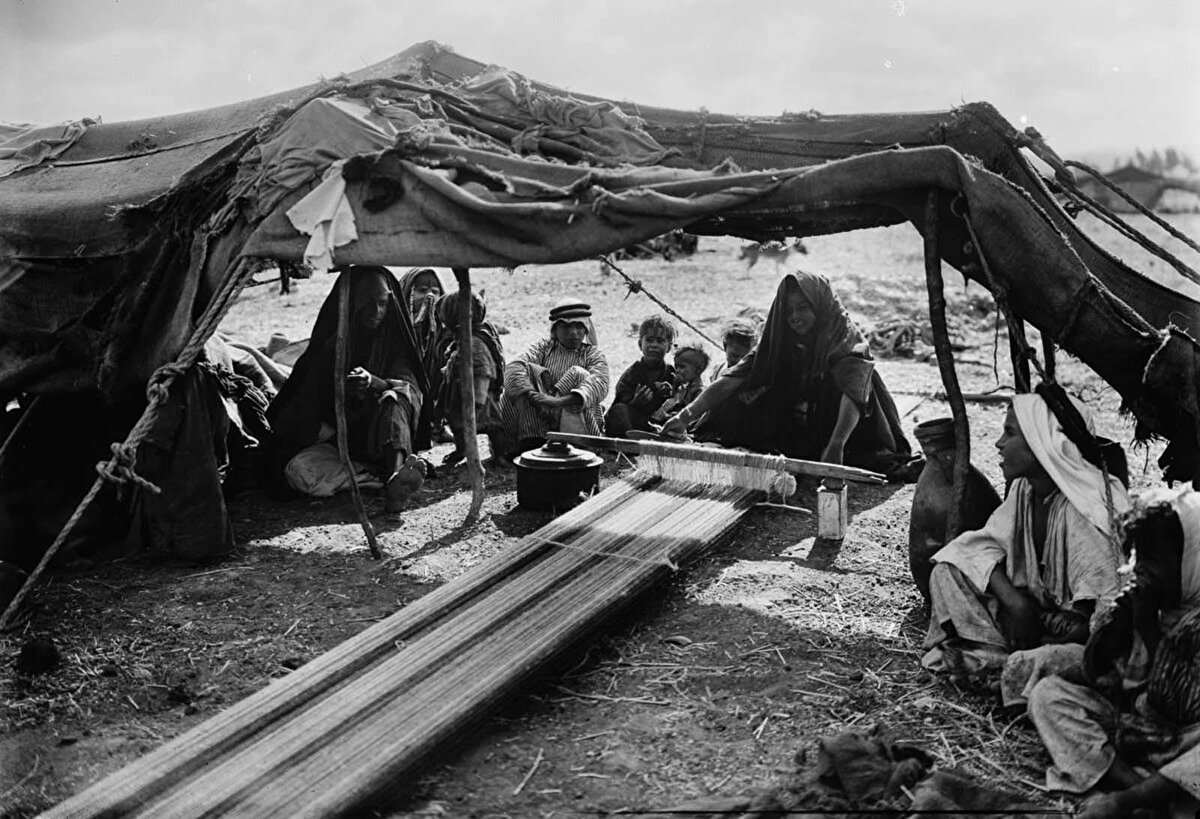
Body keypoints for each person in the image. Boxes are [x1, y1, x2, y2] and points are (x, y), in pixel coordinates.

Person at [921, 387, 1130, 691]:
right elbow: (979, 548)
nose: (999, 443)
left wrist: (1065, 629)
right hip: (1037, 613)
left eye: (1010, 433)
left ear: (1041, 441)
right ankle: (994, 657)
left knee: (1069, 660)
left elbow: (1108, 607)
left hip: (1073, 635)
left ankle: (1002, 665)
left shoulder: (1085, 507)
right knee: (947, 572)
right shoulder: (1025, 490)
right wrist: (1017, 605)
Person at [1027, 487, 1200, 819]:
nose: (1141, 571)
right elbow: (1099, 676)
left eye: (1154, 560)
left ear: (1192, 558)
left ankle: (1127, 800)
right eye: (1138, 558)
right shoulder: (1154, 603)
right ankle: (1144, 789)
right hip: (1139, 733)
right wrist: (1114, 632)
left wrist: (1147, 629)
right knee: (1048, 695)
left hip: (1186, 742)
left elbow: (1177, 704)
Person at [660, 271, 916, 479]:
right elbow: (732, 379)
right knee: (748, 388)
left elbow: (853, 395)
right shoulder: (782, 337)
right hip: (806, 419)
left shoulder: (843, 337)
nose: (795, 317)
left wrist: (836, 445)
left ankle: (829, 447)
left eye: (803, 308)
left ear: (820, 305)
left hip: (852, 426)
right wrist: (686, 416)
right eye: (789, 311)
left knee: (856, 440)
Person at [266, 266, 431, 513]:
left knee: (394, 398)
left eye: (383, 304)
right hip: (338, 445)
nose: (376, 312)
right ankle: (372, 478)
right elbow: (304, 405)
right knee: (300, 469)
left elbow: (410, 386)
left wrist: (374, 383)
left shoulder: (393, 340)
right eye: (367, 304)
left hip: (382, 439)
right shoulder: (333, 344)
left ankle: (395, 475)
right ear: (351, 304)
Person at [498, 298, 609, 457]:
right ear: (555, 329)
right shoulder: (544, 348)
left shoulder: (592, 354)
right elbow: (515, 365)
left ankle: (578, 446)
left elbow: (600, 382)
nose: (573, 332)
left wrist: (556, 402)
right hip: (540, 415)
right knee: (523, 374)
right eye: (566, 326)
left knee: (578, 373)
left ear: (586, 329)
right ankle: (531, 442)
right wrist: (535, 397)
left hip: (574, 417)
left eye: (579, 326)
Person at [433, 290, 505, 466]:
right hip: (461, 391)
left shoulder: (475, 343)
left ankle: (501, 455)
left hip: (478, 396)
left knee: (492, 426)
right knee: (459, 426)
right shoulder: (463, 337)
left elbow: (482, 371)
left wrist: (478, 401)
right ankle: (461, 449)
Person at [603, 314, 677, 439]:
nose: (654, 345)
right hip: (635, 422)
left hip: (660, 424)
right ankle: (629, 445)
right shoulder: (632, 373)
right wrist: (635, 403)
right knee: (619, 411)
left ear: (669, 346)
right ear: (640, 344)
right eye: (649, 340)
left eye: (660, 341)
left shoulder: (671, 374)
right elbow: (620, 405)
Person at [399, 267, 448, 443]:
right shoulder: (398, 324)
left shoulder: (445, 327)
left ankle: (438, 425)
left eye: (435, 291)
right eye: (421, 290)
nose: (429, 296)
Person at [651, 343, 710, 427]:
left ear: (698, 369)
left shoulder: (699, 391)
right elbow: (674, 401)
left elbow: (692, 411)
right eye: (676, 367)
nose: (677, 371)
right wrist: (674, 388)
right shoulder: (683, 388)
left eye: (682, 367)